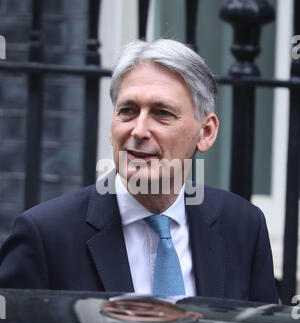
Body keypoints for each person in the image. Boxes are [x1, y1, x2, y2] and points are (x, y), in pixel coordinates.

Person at [0, 39, 278, 303]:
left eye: (162, 113)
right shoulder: (46, 235)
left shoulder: (243, 226)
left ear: (205, 132)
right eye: (128, 111)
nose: (139, 130)